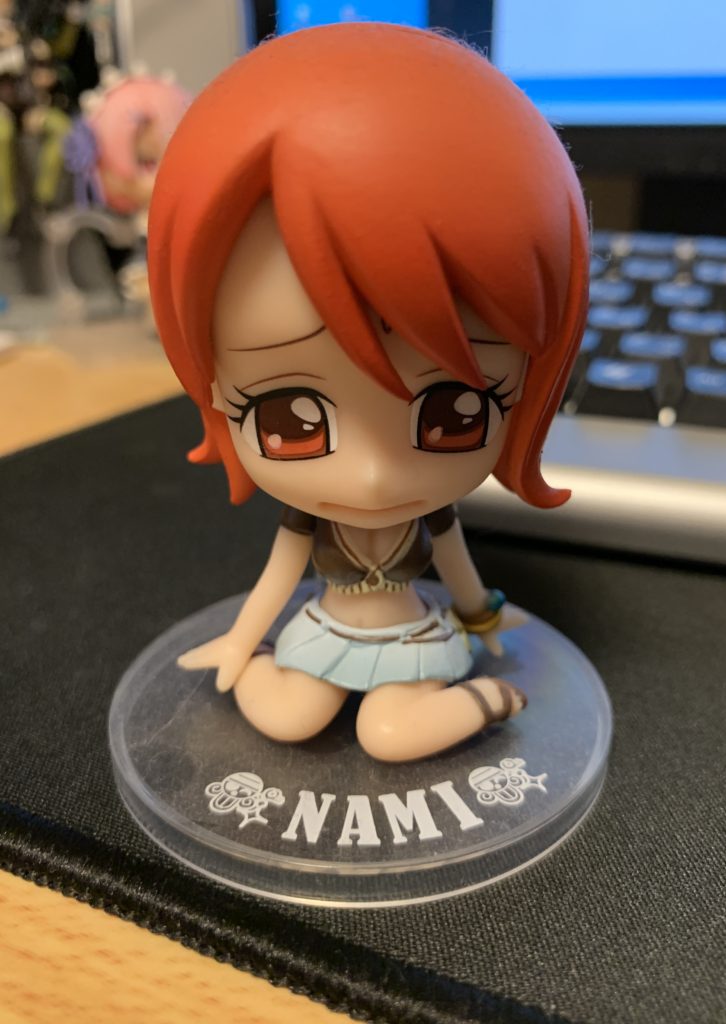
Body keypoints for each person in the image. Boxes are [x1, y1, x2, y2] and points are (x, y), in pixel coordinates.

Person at [147, 23, 589, 762]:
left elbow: (459, 571)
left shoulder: (433, 515)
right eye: (292, 420)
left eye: (453, 414)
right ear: (216, 391)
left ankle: (489, 698)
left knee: (389, 735)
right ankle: (269, 671)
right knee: (288, 716)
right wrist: (241, 643)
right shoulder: (307, 520)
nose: (375, 476)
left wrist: (484, 619)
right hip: (328, 634)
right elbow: (277, 578)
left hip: (413, 638)